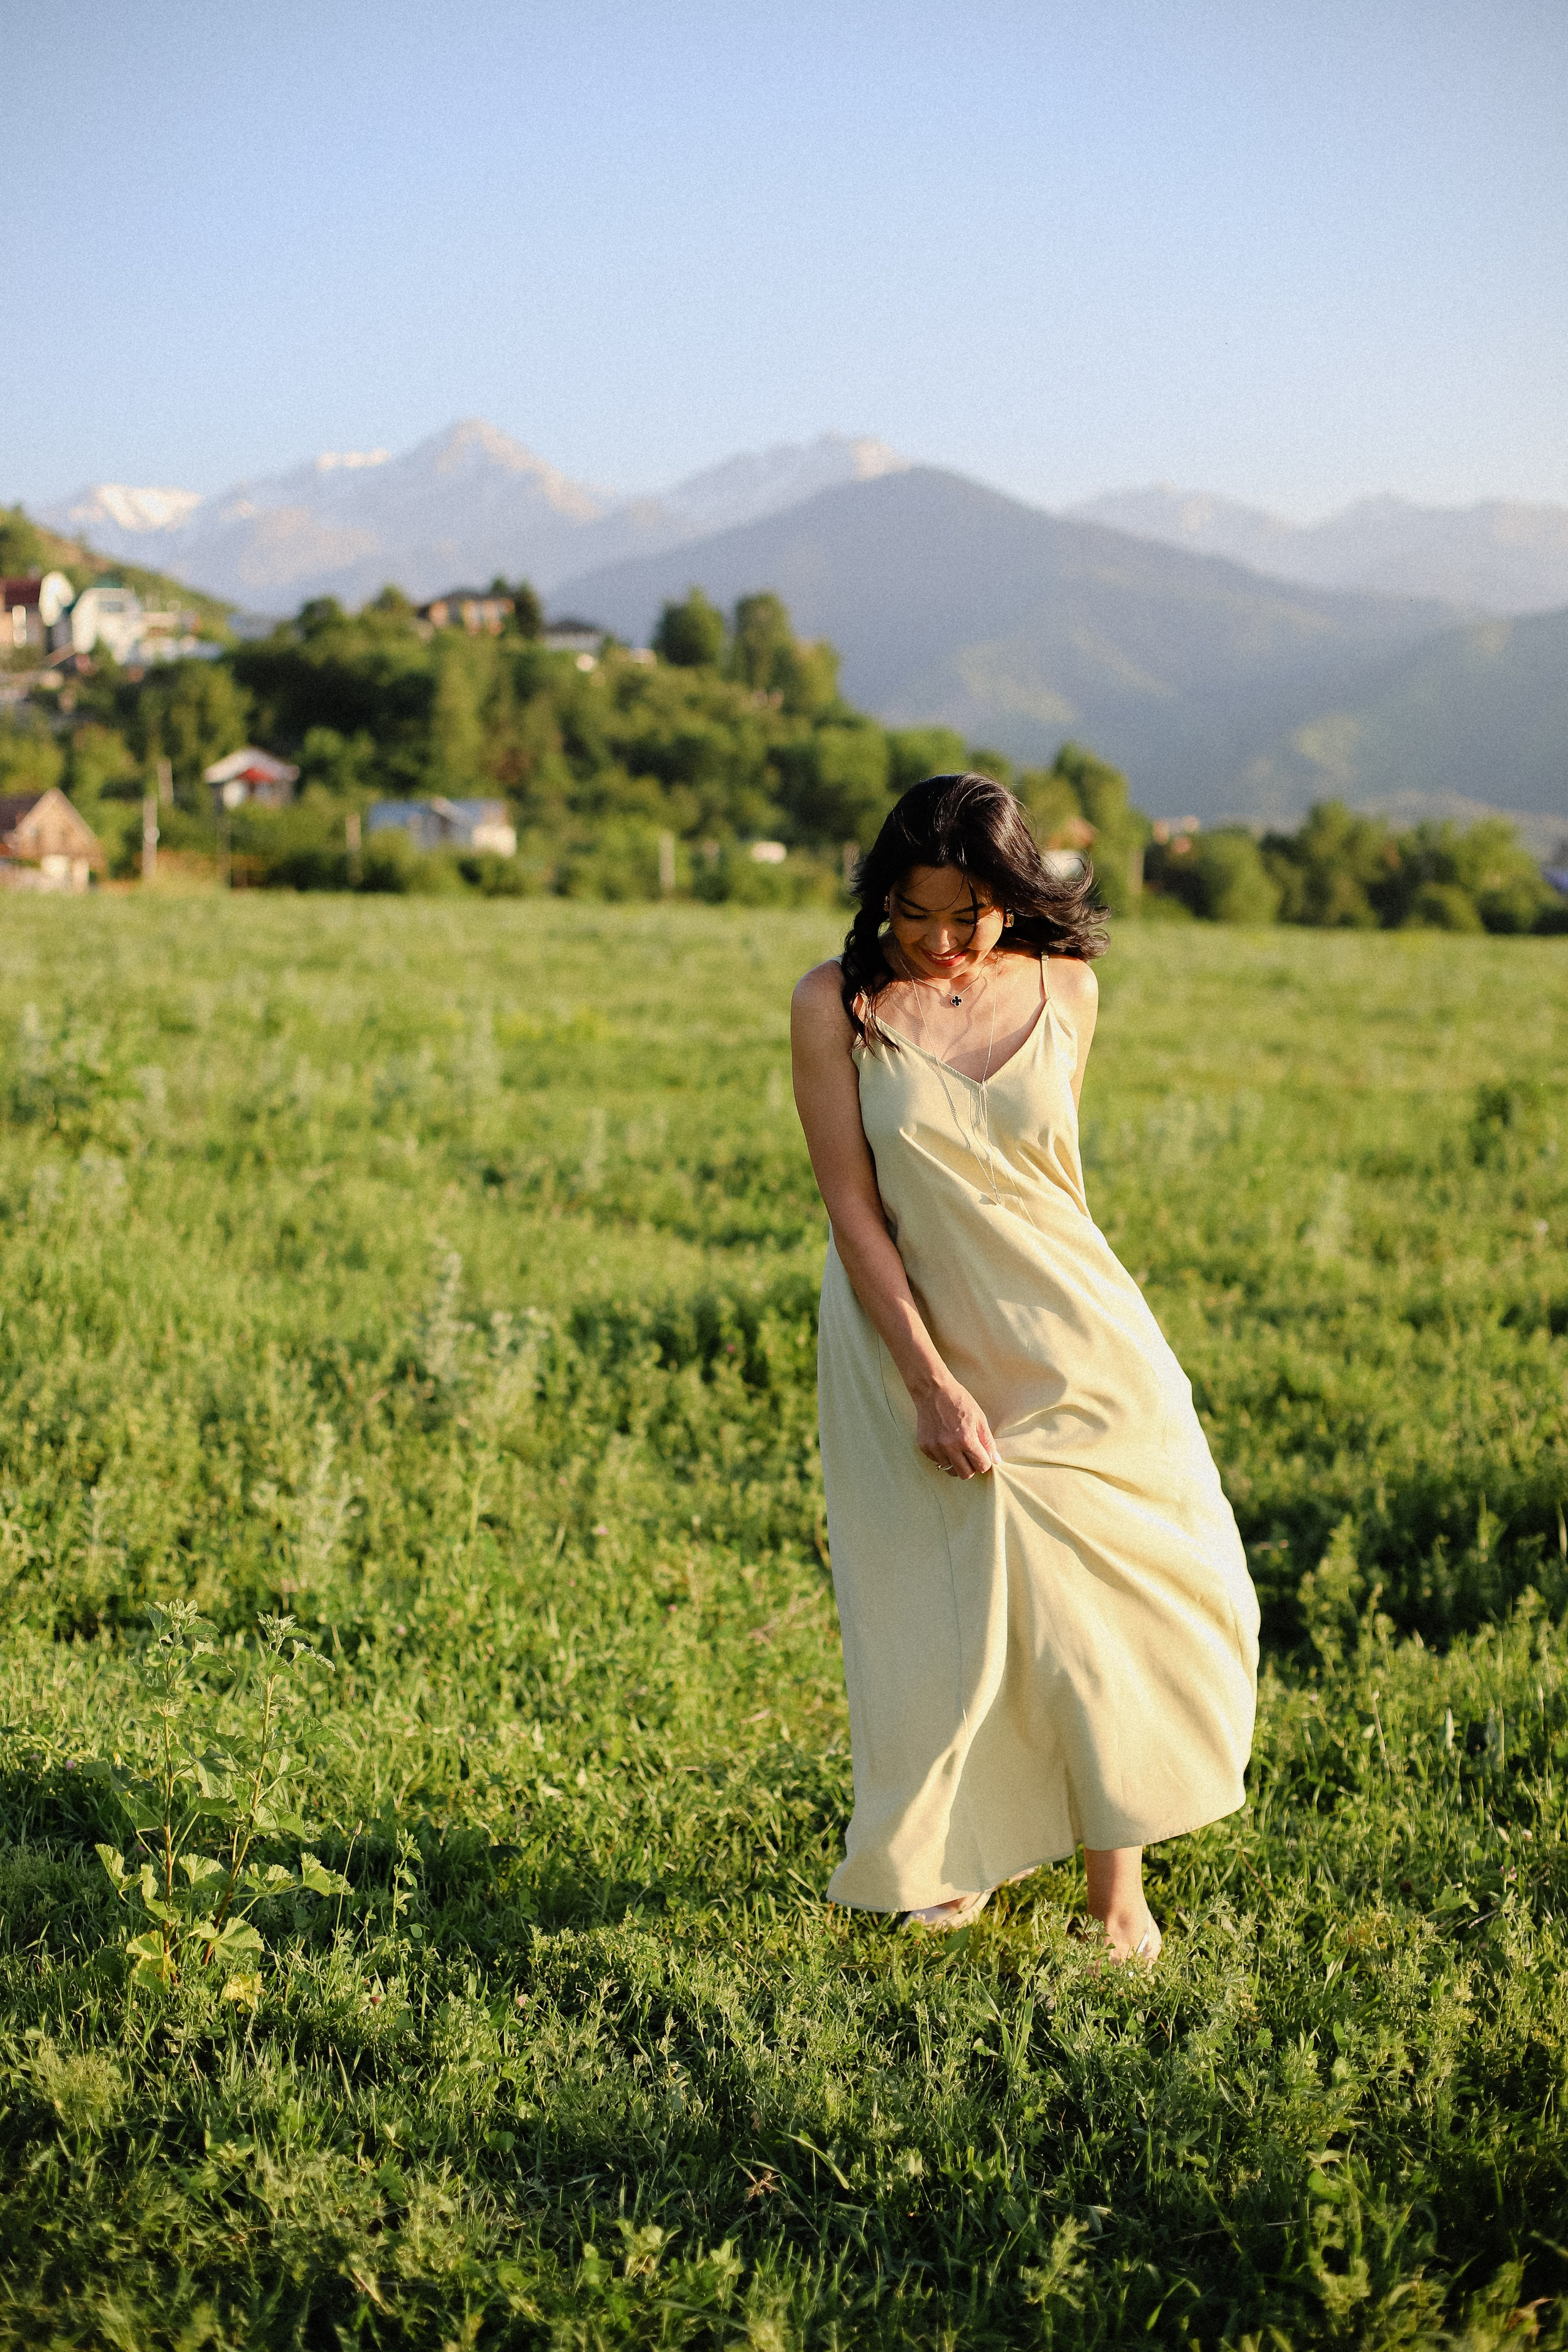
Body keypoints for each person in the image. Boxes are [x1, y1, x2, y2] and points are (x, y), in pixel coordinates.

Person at [790, 773, 1259, 1958]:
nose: (939, 942)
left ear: (1013, 895)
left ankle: (1119, 1892)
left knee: (1119, 1599)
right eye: (911, 912)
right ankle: (961, 1854)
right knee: (949, 1605)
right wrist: (930, 1380)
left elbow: (1048, 1185)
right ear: (878, 896)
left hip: (1074, 1329)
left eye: (968, 915)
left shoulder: (1069, 988)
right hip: (915, 1334)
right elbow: (853, 1208)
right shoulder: (837, 1004)